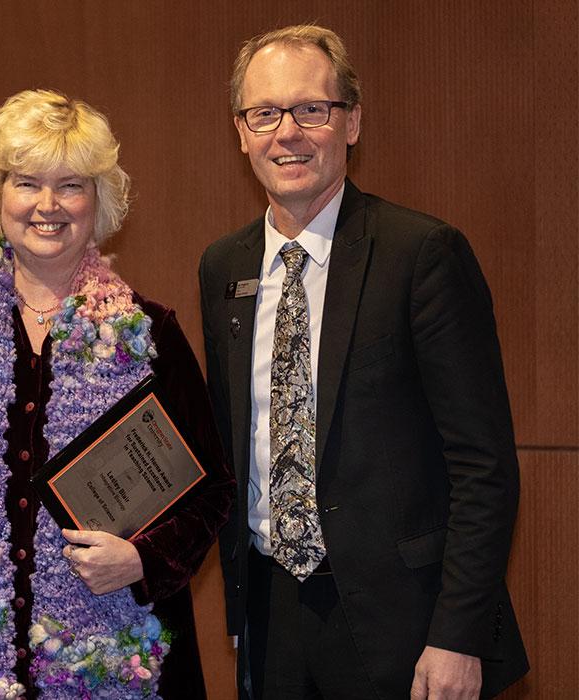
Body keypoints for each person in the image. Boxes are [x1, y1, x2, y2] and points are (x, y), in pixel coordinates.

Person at [199, 24, 529, 700]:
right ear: (241, 132)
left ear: (350, 122)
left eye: (311, 110)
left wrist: (457, 636)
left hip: (405, 628)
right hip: (271, 620)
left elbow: (483, 466)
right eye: (264, 113)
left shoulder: (422, 255)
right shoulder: (224, 267)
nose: (287, 132)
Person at [0, 89, 234, 699]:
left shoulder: (147, 333)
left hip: (120, 653)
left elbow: (212, 489)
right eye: (26, 182)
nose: (47, 206)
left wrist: (144, 562)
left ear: (99, 200)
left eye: (71, 185)